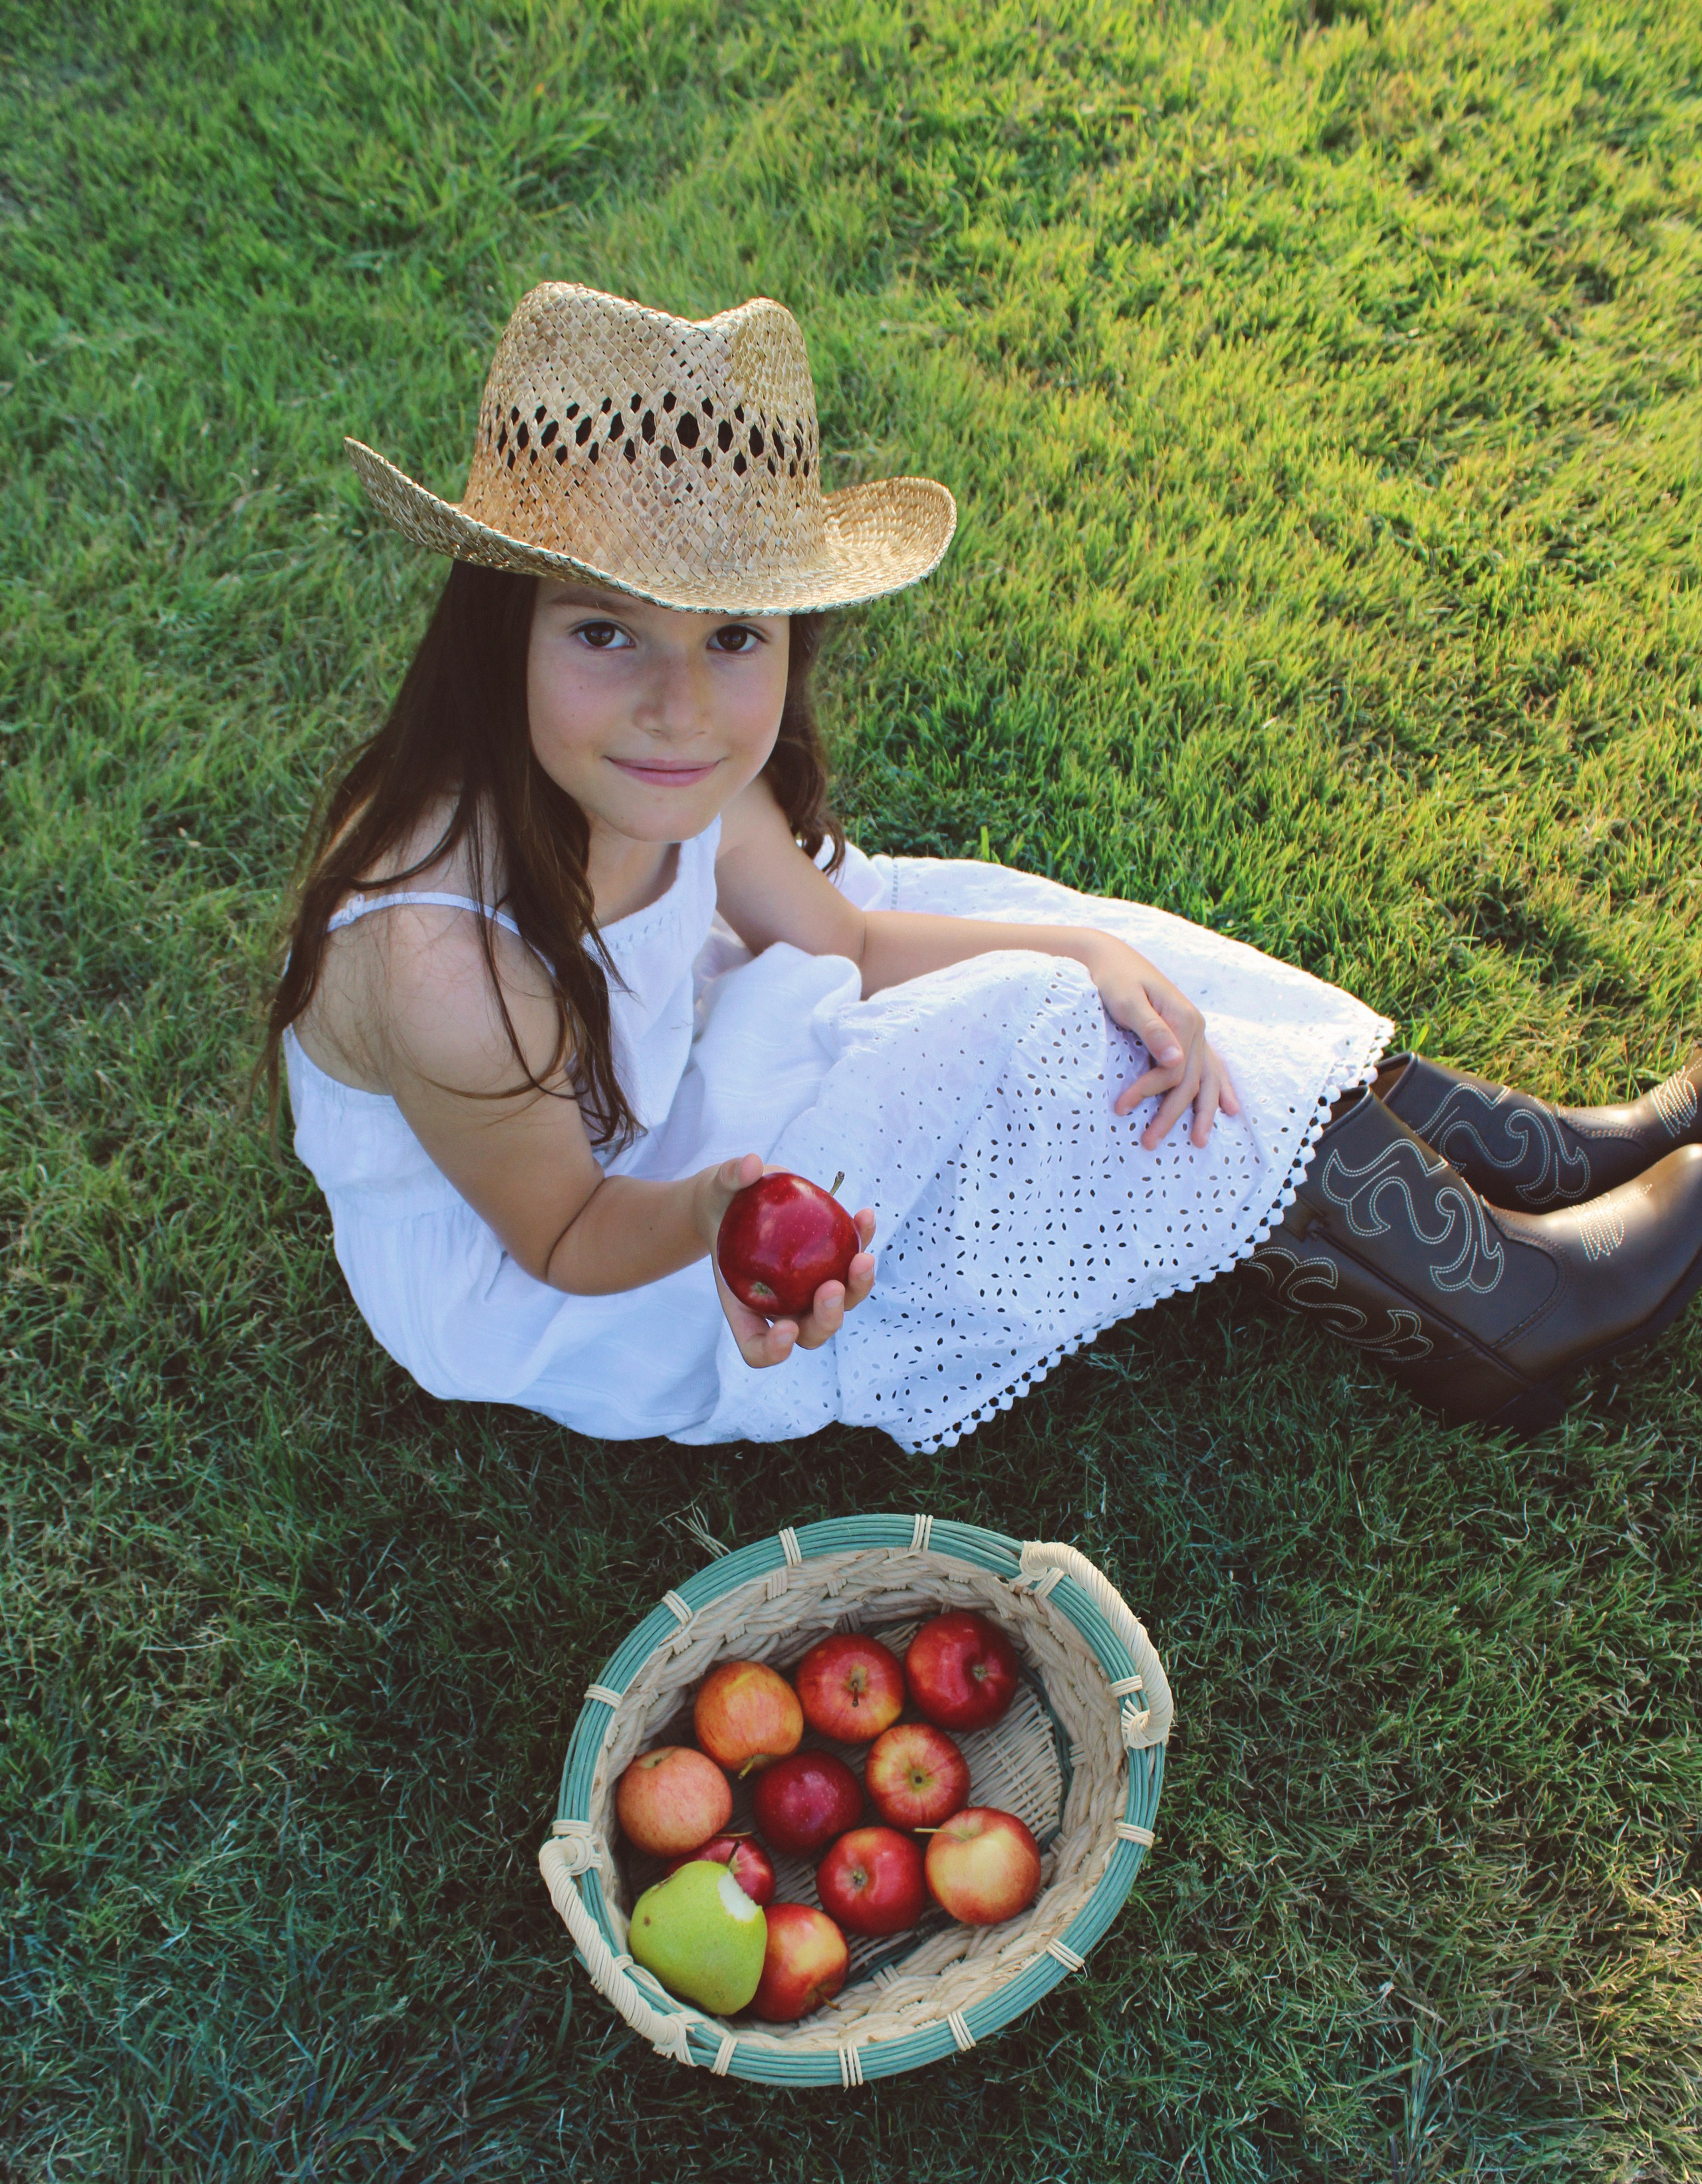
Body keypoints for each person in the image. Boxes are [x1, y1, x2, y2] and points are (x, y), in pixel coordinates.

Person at [265, 283, 1702, 1453]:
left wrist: (1089, 957)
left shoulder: (644, 766)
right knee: (1040, 1034)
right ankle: (1497, 1313)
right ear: (494, 629)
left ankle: (1521, 1150)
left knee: (1050, 943)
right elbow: (567, 1236)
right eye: (603, 632)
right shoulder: (448, 970)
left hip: (671, 1073)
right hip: (592, 1248)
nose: (680, 705)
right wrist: (716, 1211)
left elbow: (839, 938)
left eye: (731, 639)